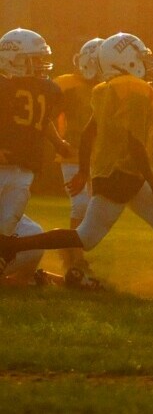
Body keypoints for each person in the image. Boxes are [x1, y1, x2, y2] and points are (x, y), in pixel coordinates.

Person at [0, 33, 153, 308]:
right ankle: (11, 246)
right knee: (85, 237)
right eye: (140, 56)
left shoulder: (106, 88)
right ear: (126, 60)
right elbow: (135, 145)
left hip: (113, 173)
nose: (145, 62)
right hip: (123, 174)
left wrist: (85, 171)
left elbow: (89, 134)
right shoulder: (135, 89)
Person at [0, 28, 72, 274]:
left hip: (24, 166)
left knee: (7, 227)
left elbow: (41, 121)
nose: (40, 65)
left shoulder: (44, 89)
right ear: (14, 60)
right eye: (34, 59)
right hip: (3, 164)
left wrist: (58, 142)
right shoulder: (4, 87)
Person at [51, 37, 104, 275]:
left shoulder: (105, 88)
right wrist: (58, 141)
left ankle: (69, 250)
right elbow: (45, 113)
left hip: (97, 157)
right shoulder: (66, 85)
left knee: (92, 208)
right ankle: (74, 258)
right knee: (80, 204)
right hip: (72, 154)